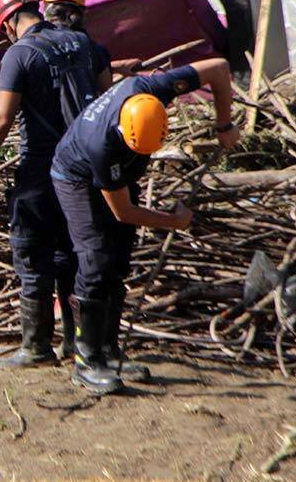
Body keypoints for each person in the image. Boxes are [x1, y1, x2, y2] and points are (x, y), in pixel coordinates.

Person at [50, 57, 240, 394]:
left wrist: (224, 124)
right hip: (74, 176)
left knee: (118, 257)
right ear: (122, 132)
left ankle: (108, 351)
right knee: (95, 258)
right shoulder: (102, 145)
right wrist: (174, 222)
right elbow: (124, 211)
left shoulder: (156, 88)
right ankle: (86, 360)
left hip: (118, 174)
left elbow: (220, 68)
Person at [0, 0, 111, 368]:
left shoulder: (18, 55)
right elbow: (107, 102)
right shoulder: (86, 45)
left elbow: (3, 118)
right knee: (72, 254)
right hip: (82, 167)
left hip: (41, 168)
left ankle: (36, 347)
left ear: (8, 22)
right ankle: (80, 344)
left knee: (32, 251)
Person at [43, 0, 143, 78]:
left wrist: (114, 67)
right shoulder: (93, 48)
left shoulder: (34, 45)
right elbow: (106, 90)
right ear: (82, 12)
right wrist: (112, 68)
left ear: (45, 7)